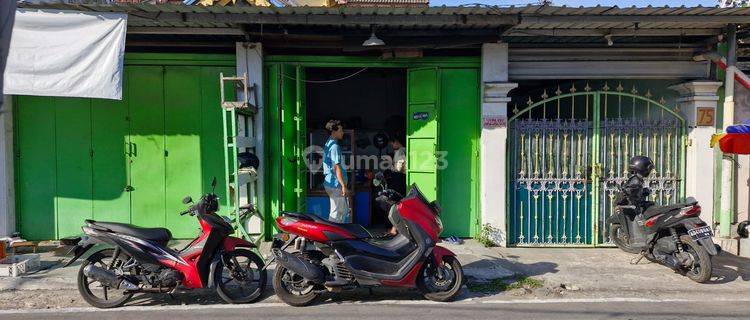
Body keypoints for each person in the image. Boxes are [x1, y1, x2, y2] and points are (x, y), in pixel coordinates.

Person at [323, 119, 350, 223]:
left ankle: (338, 236)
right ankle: (331, 237)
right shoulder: (334, 146)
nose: (342, 132)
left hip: (331, 183)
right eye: (341, 130)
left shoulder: (329, 142)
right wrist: (343, 185)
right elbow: (336, 167)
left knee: (342, 211)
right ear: (334, 131)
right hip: (335, 184)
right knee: (336, 214)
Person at [386, 134, 406, 235]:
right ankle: (394, 228)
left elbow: (399, 168)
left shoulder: (401, 151)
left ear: (397, 142)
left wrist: (392, 167)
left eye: (392, 143)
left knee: (397, 203)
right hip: (399, 179)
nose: (392, 145)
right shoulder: (400, 151)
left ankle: (394, 229)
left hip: (399, 179)